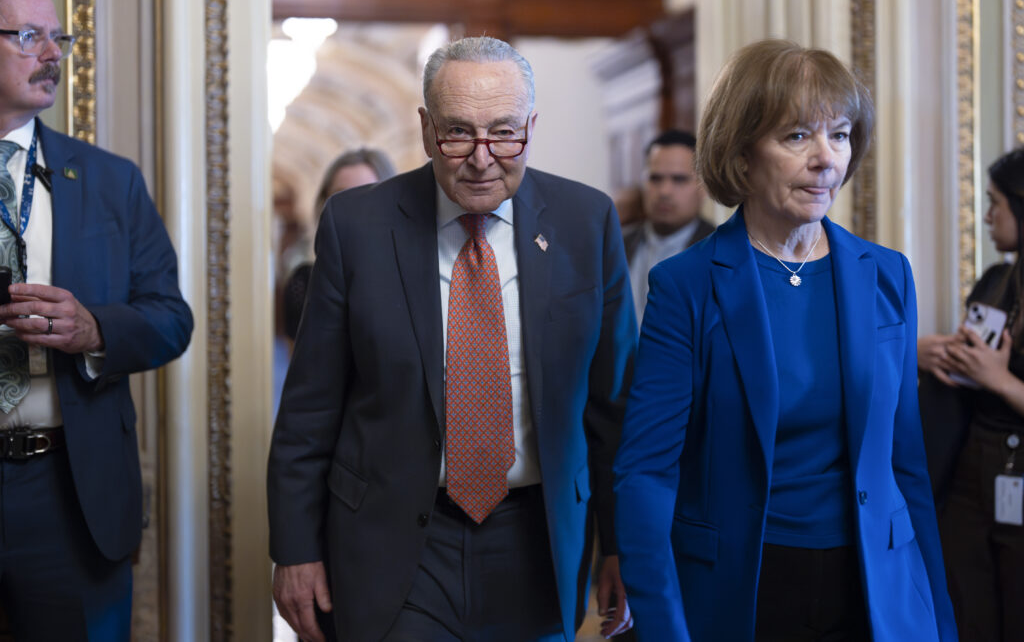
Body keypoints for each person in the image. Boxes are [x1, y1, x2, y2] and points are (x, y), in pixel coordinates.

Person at [268, 36, 636, 642]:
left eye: (504, 133)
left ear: (531, 127)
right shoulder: (358, 226)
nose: (482, 157)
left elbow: (613, 408)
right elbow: (311, 408)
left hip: (538, 539)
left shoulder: (585, 223)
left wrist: (623, 545)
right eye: (458, 132)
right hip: (395, 539)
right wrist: (295, 549)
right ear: (424, 127)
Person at [613, 39, 956, 641]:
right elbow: (646, 474)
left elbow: (906, 467)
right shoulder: (686, 285)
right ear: (742, 155)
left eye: (841, 135)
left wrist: (938, 618)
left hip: (876, 590)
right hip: (741, 590)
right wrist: (664, 629)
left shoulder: (888, 275)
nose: (826, 159)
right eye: (798, 136)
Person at [0, 0, 193, 639]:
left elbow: (172, 319)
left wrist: (92, 330)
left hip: (68, 494)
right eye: (28, 36)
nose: (52, 54)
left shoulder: (111, 182)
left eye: (60, 37)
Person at [919, 148, 1024, 641]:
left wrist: (1001, 380)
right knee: (967, 615)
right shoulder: (995, 280)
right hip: (967, 472)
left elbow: (995, 377)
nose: (985, 216)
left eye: (995, 203)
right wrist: (938, 357)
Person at [282, 147, 396, 341]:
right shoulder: (304, 284)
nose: (352, 211)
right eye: (340, 199)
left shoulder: (409, 281)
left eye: (367, 196)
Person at [622, 129, 713, 323]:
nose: (664, 191)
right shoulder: (616, 245)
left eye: (679, 179)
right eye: (655, 178)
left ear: (703, 186)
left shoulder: (723, 253)